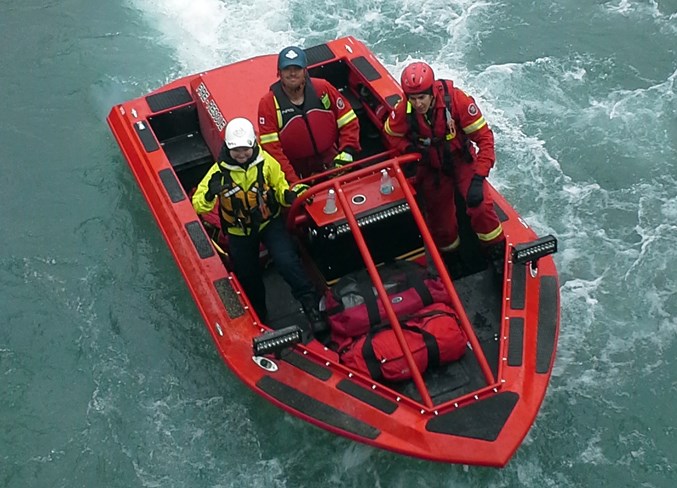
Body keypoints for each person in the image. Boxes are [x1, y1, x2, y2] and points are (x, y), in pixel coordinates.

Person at [192, 117, 325, 335]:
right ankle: (260, 318)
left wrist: (289, 196)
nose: (242, 154)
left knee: (287, 261)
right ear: (228, 148)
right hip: (238, 232)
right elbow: (198, 204)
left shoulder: (267, 163)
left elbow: (280, 188)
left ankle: (311, 306)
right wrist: (209, 194)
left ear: (253, 145)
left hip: (269, 223)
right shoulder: (217, 173)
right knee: (248, 276)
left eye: (245, 149)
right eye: (237, 150)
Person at [384, 61, 506, 273]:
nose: (418, 103)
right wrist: (409, 149)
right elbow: (391, 134)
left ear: (432, 91)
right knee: (442, 224)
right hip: (432, 168)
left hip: (462, 162)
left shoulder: (457, 101)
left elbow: (485, 138)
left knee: (481, 207)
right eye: (413, 98)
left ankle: (497, 254)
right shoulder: (405, 109)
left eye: (421, 97)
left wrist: (479, 178)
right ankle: (453, 263)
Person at [257, 45, 362, 188]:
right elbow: (272, 151)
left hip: (333, 161)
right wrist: (294, 182)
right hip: (298, 171)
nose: (292, 73)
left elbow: (348, 119)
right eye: (287, 69)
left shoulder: (323, 88)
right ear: (279, 73)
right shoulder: (268, 104)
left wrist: (348, 151)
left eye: (297, 69)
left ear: (305, 70)